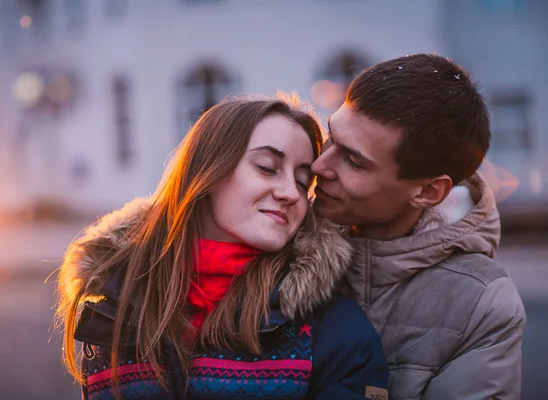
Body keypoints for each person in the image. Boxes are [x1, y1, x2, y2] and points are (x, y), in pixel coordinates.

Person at [56, 93, 389, 400]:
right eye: (266, 168)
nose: (290, 192)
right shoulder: (115, 301)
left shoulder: (333, 328)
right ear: (206, 172)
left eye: (303, 182)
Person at [312, 53, 525, 400]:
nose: (320, 165)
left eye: (353, 160)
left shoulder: (480, 304)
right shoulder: (275, 246)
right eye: (331, 135)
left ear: (427, 192)